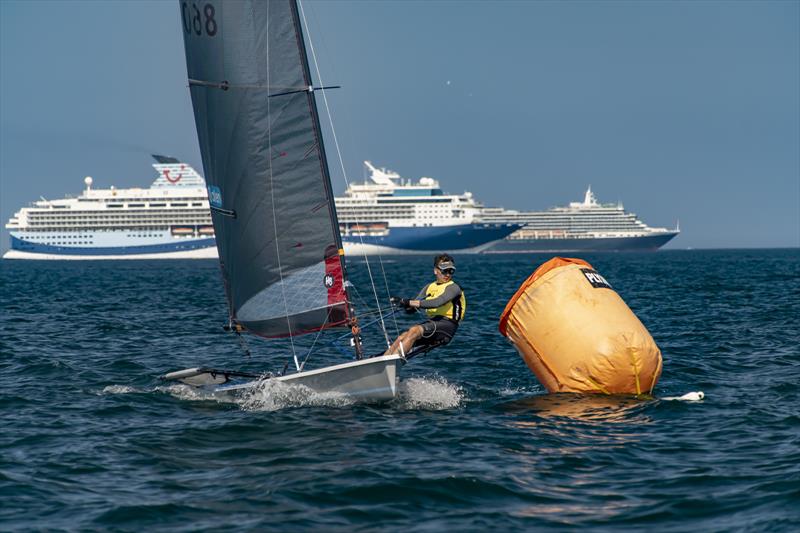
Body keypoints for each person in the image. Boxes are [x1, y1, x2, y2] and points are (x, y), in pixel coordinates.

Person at [384, 253, 466, 357]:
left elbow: (437, 302)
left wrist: (408, 301)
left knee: (414, 330)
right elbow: (415, 305)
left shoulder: (454, 287)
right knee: (402, 338)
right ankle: (381, 363)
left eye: (451, 271)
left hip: (447, 325)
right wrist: (405, 306)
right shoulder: (429, 287)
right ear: (435, 270)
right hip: (433, 323)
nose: (448, 274)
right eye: (444, 271)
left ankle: (390, 363)